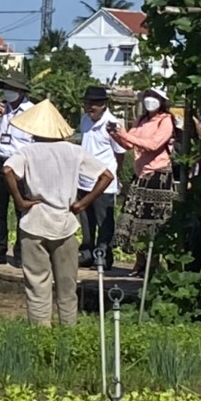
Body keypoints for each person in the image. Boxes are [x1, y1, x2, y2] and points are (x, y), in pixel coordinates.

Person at [3, 100, 113, 326]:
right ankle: (68, 330)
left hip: (34, 222)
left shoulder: (27, 151)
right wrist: (83, 203)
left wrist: (20, 200)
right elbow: (107, 176)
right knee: (67, 285)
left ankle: (40, 330)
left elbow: (7, 170)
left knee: (37, 284)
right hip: (64, 224)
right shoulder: (74, 151)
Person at [109, 87, 176, 275]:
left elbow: (154, 144)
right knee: (134, 217)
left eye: (155, 97)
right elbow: (130, 143)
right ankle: (139, 262)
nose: (150, 100)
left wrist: (125, 134)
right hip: (141, 174)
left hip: (158, 174)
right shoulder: (141, 120)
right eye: (148, 96)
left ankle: (152, 264)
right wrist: (115, 134)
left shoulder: (166, 120)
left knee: (153, 220)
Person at [0, 72, 34, 265]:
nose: (8, 92)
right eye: (6, 88)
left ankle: (21, 252)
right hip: (0, 160)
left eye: (12, 88)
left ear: (21, 90)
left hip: (21, 163)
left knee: (22, 208)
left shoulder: (31, 111)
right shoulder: (1, 108)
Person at [77, 85, 125, 270]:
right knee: (87, 222)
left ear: (103, 105)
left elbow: (119, 153)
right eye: (87, 104)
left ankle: (104, 256)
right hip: (84, 180)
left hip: (104, 182)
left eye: (94, 105)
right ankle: (87, 253)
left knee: (104, 221)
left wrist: (115, 173)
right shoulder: (84, 120)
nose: (90, 108)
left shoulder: (112, 124)